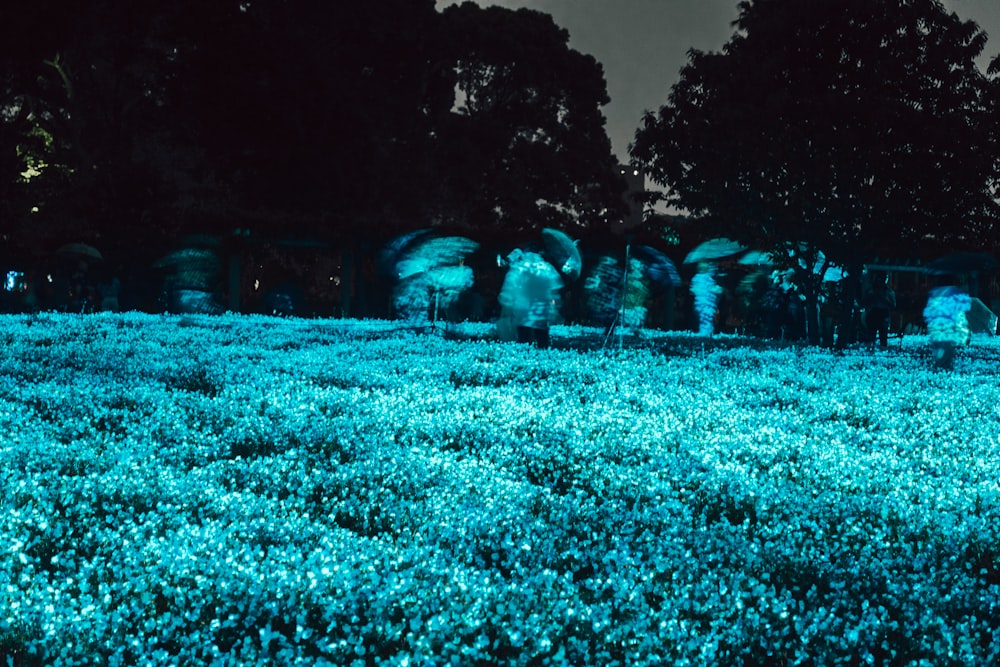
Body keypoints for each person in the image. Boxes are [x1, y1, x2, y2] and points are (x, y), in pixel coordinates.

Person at [497, 250, 563, 349]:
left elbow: (510, 288)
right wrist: (555, 305)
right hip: (541, 311)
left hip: (524, 310)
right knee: (541, 338)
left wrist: (508, 304)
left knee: (524, 338)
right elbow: (554, 290)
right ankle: (541, 357)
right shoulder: (546, 268)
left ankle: (524, 358)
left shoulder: (520, 268)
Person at [922, 278, 972, 370]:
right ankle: (942, 369)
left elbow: (928, 312)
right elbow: (962, 310)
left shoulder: (934, 293)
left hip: (937, 329)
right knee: (946, 352)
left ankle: (940, 369)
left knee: (940, 352)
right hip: (946, 330)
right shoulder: (954, 293)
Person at [863, 272, 896, 348]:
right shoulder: (871, 291)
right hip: (873, 313)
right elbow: (864, 302)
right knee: (871, 336)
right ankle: (870, 350)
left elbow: (893, 305)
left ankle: (881, 350)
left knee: (883, 335)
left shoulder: (889, 292)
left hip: (883, 314)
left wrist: (882, 299)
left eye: (884, 279)